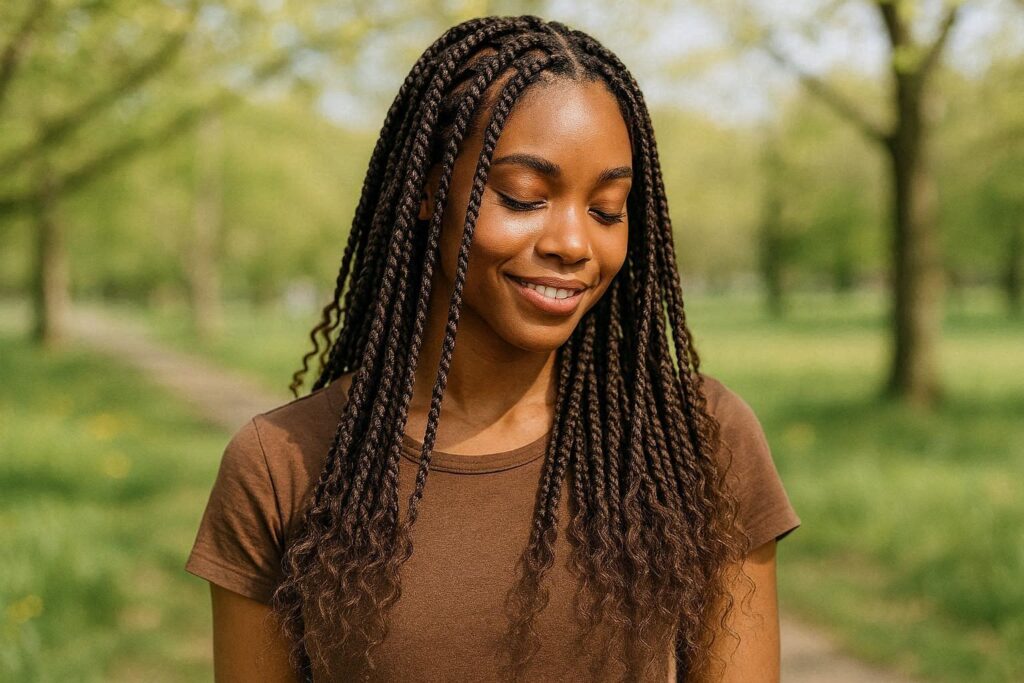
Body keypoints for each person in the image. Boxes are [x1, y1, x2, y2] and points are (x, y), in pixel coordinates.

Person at [184, 15, 800, 683]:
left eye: (607, 209)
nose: (572, 242)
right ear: (428, 189)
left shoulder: (695, 441)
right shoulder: (282, 468)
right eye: (523, 197)